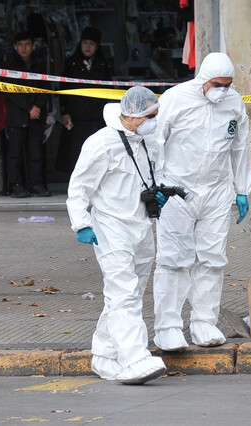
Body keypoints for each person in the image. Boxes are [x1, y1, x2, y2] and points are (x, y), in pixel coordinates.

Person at [66, 86, 169, 384]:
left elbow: (155, 173)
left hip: (141, 225)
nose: (155, 119)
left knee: (129, 294)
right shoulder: (101, 143)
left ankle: (104, 355)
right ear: (134, 115)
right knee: (122, 291)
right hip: (110, 228)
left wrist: (159, 192)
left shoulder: (149, 139)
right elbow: (79, 187)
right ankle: (135, 358)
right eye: (151, 115)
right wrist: (81, 223)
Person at [151, 52, 251, 351]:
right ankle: (167, 327)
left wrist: (242, 189)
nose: (223, 90)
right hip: (176, 189)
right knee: (173, 259)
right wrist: (156, 184)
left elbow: (241, 147)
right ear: (203, 81)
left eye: (228, 85)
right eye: (218, 84)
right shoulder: (175, 99)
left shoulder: (234, 103)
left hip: (217, 191)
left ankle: (204, 322)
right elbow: (155, 143)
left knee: (212, 258)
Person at [56, 27, 113, 174]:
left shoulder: (104, 65)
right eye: (85, 43)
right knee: (75, 153)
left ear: (97, 46)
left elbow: (110, 90)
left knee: (97, 153)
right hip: (76, 118)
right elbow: (64, 89)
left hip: (97, 118)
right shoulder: (71, 64)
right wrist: (64, 112)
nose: (88, 47)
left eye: (92, 44)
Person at [3, 30, 51, 198]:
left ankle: (36, 185)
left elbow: (46, 88)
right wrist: (29, 107)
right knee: (15, 153)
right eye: (20, 45)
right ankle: (15, 185)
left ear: (33, 46)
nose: (24, 49)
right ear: (15, 47)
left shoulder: (40, 63)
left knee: (36, 152)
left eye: (27, 45)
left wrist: (37, 106)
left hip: (36, 116)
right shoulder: (9, 64)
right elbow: (9, 90)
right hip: (17, 116)